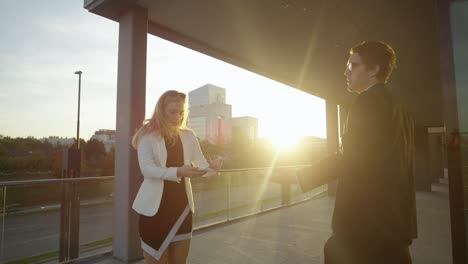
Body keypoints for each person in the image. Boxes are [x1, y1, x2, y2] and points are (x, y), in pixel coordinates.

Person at [274, 41, 417, 263]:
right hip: (396, 224)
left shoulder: (367, 102)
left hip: (366, 225)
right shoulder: (401, 109)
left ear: (373, 69)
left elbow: (350, 160)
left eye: (353, 65)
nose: (345, 72)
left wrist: (299, 176)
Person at [131, 90, 222, 264]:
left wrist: (213, 168)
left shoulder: (188, 136)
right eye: (172, 112)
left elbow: (201, 165)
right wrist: (178, 171)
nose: (178, 117)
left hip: (182, 209)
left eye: (181, 112)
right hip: (154, 212)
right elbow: (147, 169)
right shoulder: (147, 135)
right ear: (161, 111)